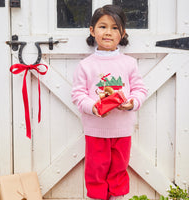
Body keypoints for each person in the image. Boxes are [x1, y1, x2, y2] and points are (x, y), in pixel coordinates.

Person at [71, 4, 148, 200]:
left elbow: (140, 89)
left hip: (122, 131)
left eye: (115, 28)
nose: (108, 32)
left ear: (122, 33)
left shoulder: (129, 63)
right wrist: (94, 107)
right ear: (92, 30)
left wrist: (132, 103)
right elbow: (78, 95)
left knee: (119, 170)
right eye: (102, 26)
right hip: (96, 131)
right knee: (96, 171)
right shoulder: (86, 65)